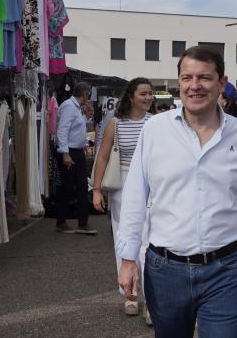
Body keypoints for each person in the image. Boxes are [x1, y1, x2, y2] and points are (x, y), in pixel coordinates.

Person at [117, 45, 237, 338]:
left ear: (222, 82)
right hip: (166, 271)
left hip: (226, 270)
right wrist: (127, 259)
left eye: (204, 77)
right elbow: (135, 197)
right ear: (179, 82)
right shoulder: (155, 131)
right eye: (187, 78)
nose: (195, 86)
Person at [92, 77, 154, 324]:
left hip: (151, 185)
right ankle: (129, 295)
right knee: (125, 239)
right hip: (123, 183)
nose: (149, 98)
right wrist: (96, 190)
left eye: (150, 93)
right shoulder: (115, 124)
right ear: (131, 97)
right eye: (144, 94)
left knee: (150, 244)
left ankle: (151, 300)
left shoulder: (157, 123)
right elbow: (103, 157)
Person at [55, 82, 97, 234]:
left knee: (82, 186)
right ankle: (61, 221)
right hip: (69, 152)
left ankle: (82, 222)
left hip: (77, 151)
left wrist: (86, 117)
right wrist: (65, 153)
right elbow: (62, 130)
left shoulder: (76, 108)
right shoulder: (68, 106)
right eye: (88, 95)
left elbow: (75, 128)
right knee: (67, 187)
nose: (88, 98)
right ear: (84, 94)